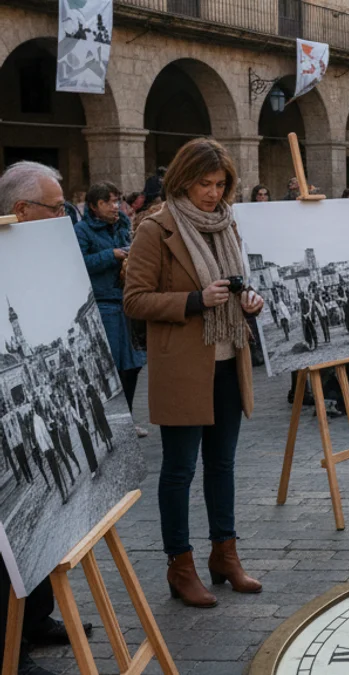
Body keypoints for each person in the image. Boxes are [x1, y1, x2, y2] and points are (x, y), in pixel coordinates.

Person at [124, 138, 265, 609]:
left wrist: (250, 302)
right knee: (180, 469)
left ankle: (225, 555)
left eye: (220, 184)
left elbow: (236, 286)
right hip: (183, 366)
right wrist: (193, 301)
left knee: (222, 465)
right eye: (204, 183)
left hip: (228, 360)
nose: (212, 193)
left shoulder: (227, 223)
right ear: (184, 180)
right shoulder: (156, 228)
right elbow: (134, 300)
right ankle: (180, 567)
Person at [0, 161, 98, 675]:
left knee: (38, 551)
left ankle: (35, 619)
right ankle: (8, 652)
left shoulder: (34, 256)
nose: (66, 218)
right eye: (57, 209)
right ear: (21, 210)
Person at [75, 181, 149, 437]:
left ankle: (128, 420)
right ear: (94, 206)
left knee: (134, 365)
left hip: (127, 301)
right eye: (107, 201)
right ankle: (112, 424)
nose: (114, 206)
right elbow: (79, 262)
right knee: (113, 366)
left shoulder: (122, 225)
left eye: (117, 201)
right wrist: (112, 255)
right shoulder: (82, 230)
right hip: (104, 304)